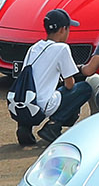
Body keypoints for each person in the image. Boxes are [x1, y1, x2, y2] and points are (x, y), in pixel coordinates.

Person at [11, 9, 93, 146]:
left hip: (23, 105)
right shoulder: (62, 48)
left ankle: (24, 127)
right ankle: (53, 126)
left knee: (37, 89)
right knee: (83, 88)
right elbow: (69, 85)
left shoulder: (34, 47)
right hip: (43, 106)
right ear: (62, 29)